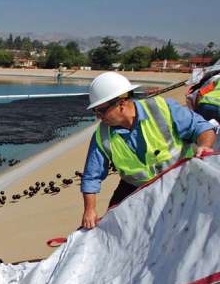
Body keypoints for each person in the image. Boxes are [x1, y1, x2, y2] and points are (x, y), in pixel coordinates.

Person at [80, 72, 216, 229]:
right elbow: (91, 177)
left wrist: (204, 146)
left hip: (181, 180)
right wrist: (89, 210)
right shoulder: (102, 135)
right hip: (136, 188)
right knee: (114, 224)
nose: (98, 117)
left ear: (121, 104)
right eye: (95, 111)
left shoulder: (162, 109)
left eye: (101, 111)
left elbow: (202, 128)